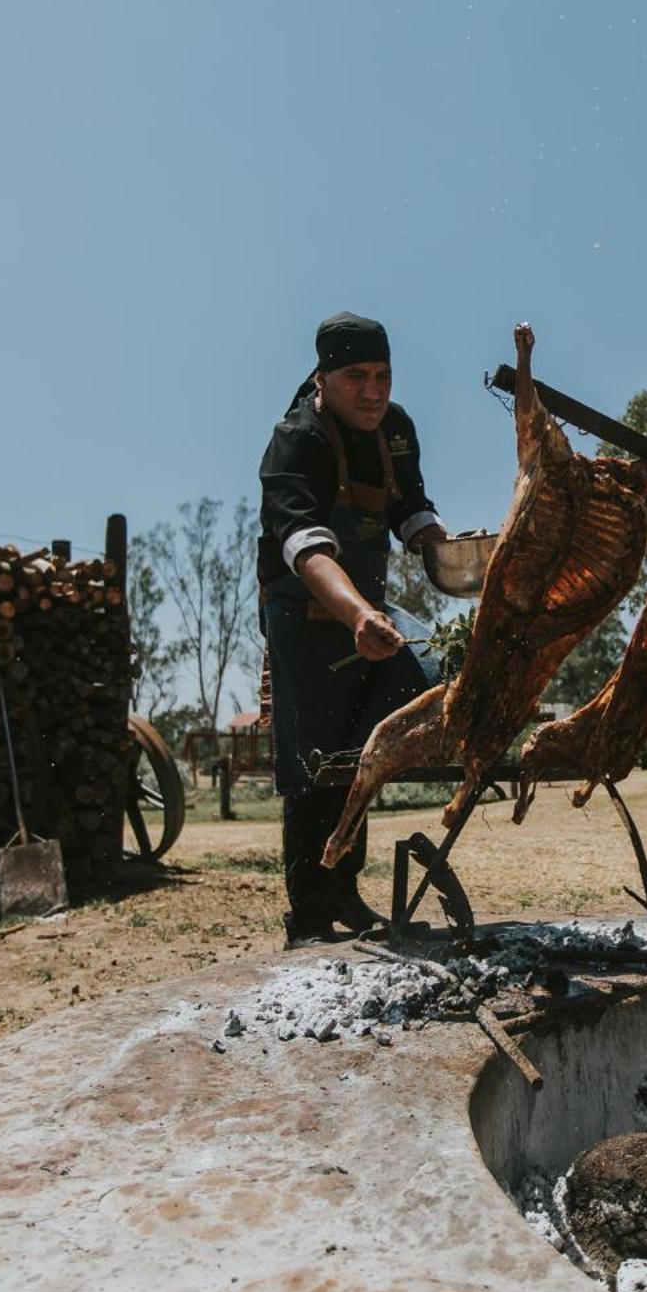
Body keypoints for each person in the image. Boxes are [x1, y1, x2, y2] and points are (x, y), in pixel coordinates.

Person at [258, 312, 446, 944]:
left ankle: (344, 892)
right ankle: (309, 915)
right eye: (357, 376)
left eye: (384, 375)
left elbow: (410, 508)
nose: (373, 391)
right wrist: (358, 614)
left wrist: (443, 543)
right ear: (324, 376)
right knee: (315, 759)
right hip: (305, 620)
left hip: (373, 616)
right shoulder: (297, 439)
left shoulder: (396, 430)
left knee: (374, 735)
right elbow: (305, 547)